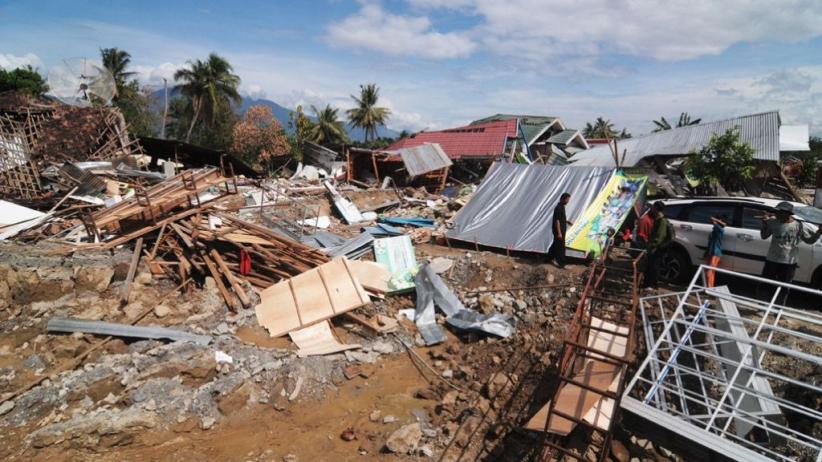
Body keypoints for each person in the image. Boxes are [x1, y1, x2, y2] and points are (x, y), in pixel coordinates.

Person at [760, 202, 822, 288]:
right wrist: (764, 224)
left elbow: (809, 241)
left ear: (788, 214)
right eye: (776, 211)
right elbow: (764, 236)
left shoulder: (798, 225)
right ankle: (765, 301)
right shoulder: (772, 222)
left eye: (779, 212)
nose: (776, 214)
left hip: (788, 263)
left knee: (784, 287)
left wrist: (818, 232)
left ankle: (780, 301)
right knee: (765, 285)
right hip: (772, 260)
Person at [643, 201, 670, 288]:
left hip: (657, 249)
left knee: (653, 267)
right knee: (651, 266)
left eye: (653, 207)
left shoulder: (662, 221)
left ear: (656, 208)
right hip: (654, 247)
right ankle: (649, 284)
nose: (651, 209)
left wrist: (652, 246)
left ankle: (651, 285)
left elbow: (659, 236)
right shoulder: (657, 219)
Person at [548, 192, 573, 268]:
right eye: (567, 199)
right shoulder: (558, 208)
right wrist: (559, 233)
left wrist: (567, 221)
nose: (568, 201)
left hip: (561, 230)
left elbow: (561, 218)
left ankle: (548, 258)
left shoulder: (562, 207)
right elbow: (557, 221)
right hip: (559, 231)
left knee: (555, 245)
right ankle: (561, 263)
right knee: (561, 247)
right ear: (563, 199)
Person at [704, 215, 727, 287]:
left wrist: (716, 220)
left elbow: (716, 222)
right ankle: (707, 287)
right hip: (711, 252)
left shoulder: (720, 230)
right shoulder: (714, 231)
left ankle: (710, 288)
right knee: (707, 271)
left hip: (715, 253)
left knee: (710, 272)